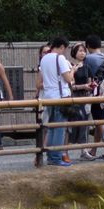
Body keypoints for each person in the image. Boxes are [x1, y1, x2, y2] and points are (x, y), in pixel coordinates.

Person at [38, 37, 74, 167]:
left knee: (52, 128)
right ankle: (56, 157)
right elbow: (68, 78)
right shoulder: (60, 58)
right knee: (59, 129)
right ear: (62, 47)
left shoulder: (44, 59)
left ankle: (51, 156)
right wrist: (73, 70)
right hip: (60, 97)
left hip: (48, 97)